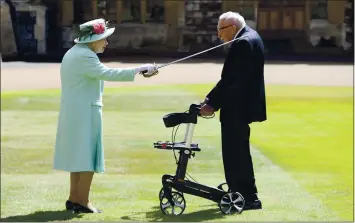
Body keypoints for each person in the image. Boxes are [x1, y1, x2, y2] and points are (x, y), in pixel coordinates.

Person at [53, 18, 158, 214]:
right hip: (85, 112)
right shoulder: (85, 56)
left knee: (79, 156)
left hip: (76, 111)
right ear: (93, 40)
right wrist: (139, 69)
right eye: (104, 39)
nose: (106, 43)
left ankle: (74, 198)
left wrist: (140, 70)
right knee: (87, 156)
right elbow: (108, 73)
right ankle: (82, 201)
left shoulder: (74, 53)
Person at [200, 11, 267, 210]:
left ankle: (246, 196)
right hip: (241, 105)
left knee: (234, 153)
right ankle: (242, 191)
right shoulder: (251, 36)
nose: (219, 35)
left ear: (232, 28)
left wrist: (211, 102)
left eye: (221, 30)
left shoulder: (243, 43)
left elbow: (232, 81)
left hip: (237, 107)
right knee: (238, 152)